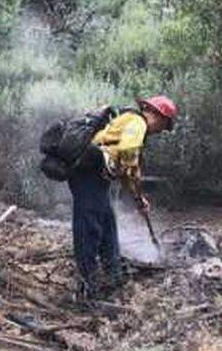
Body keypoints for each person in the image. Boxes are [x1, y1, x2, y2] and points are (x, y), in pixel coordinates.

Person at [69, 95, 177, 299]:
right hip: (88, 174)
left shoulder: (131, 122)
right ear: (159, 116)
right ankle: (86, 289)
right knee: (89, 228)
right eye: (164, 126)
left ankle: (114, 277)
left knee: (108, 224)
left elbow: (125, 169)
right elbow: (127, 153)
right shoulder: (137, 122)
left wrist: (138, 198)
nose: (161, 131)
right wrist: (135, 179)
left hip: (97, 177)